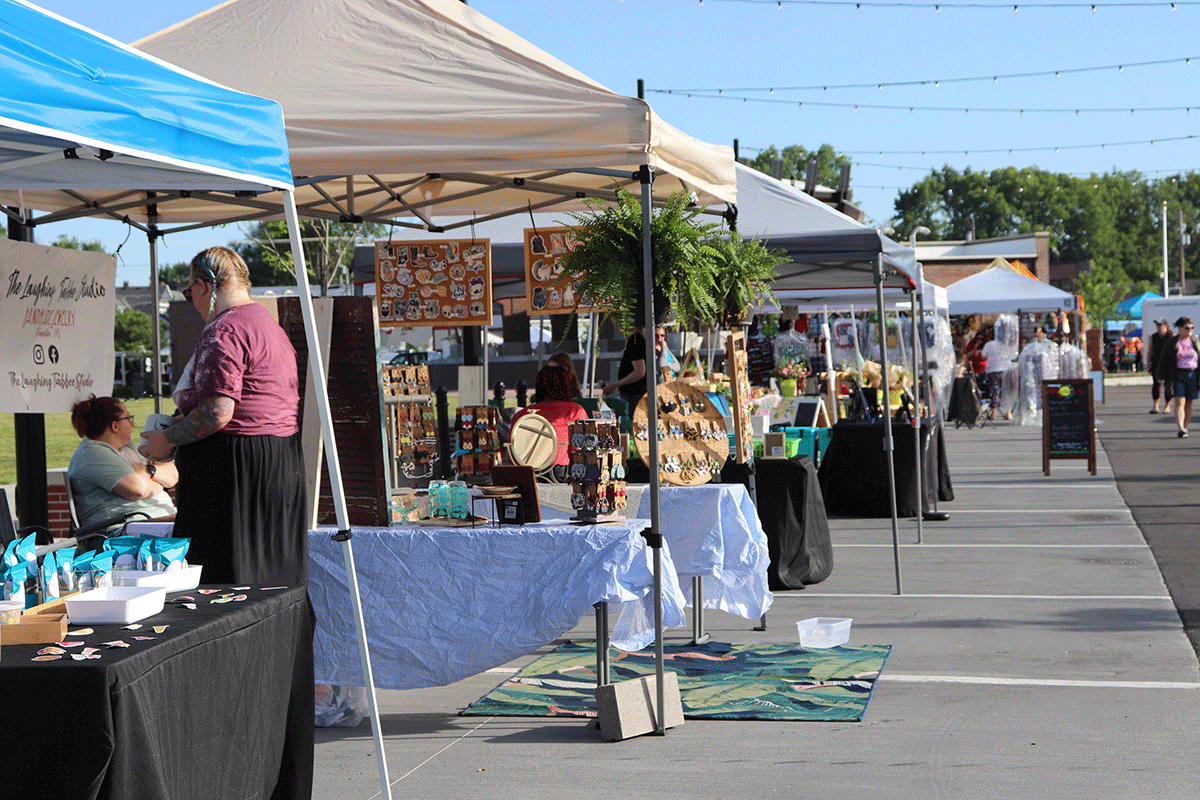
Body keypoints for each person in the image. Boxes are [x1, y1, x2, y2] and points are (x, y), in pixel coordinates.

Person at [142, 246, 312, 798]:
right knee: (272, 601)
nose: (190, 302)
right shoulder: (272, 327)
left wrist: (167, 438)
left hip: (236, 479)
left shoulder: (225, 330)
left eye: (190, 291)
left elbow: (219, 411)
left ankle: (230, 748)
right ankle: (272, 750)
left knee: (226, 601)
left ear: (204, 284)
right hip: (277, 469)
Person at [67, 395, 177, 533]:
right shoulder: (92, 453)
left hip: (152, 524)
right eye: (128, 417)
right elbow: (138, 490)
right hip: (123, 532)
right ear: (115, 425)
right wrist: (157, 479)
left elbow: (173, 474)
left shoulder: (128, 448)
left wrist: (146, 471)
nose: (132, 423)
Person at [511, 364, 588, 480]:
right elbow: (579, 450)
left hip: (525, 475)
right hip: (558, 474)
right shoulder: (574, 411)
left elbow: (511, 454)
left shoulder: (521, 415)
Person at [1156, 316, 1200, 438]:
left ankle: (1185, 427)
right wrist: (1160, 375)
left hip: (1193, 373)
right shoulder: (1172, 342)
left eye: (1192, 328)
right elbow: (1164, 359)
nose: (1189, 330)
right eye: (1187, 328)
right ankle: (1180, 427)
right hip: (1177, 374)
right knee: (1179, 401)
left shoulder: (1195, 340)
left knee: (1189, 402)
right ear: (1180, 328)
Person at [604, 327, 649, 409]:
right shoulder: (640, 339)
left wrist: (615, 385)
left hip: (634, 395)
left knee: (631, 419)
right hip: (637, 393)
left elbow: (639, 372)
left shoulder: (635, 341)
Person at [979, 329, 1011, 420]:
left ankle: (993, 413)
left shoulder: (989, 344)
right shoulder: (1006, 344)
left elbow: (983, 356)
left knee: (994, 392)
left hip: (993, 370)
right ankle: (1008, 412)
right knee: (1006, 392)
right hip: (1006, 370)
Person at [1148, 318, 1173, 413]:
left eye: (1160, 325)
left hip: (1168, 363)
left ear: (1166, 325)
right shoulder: (1153, 337)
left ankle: (1167, 406)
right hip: (1156, 362)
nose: (1158, 327)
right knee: (1156, 384)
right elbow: (1150, 351)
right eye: (1157, 325)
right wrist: (1148, 363)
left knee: (1168, 385)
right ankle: (1156, 406)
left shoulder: (1171, 336)